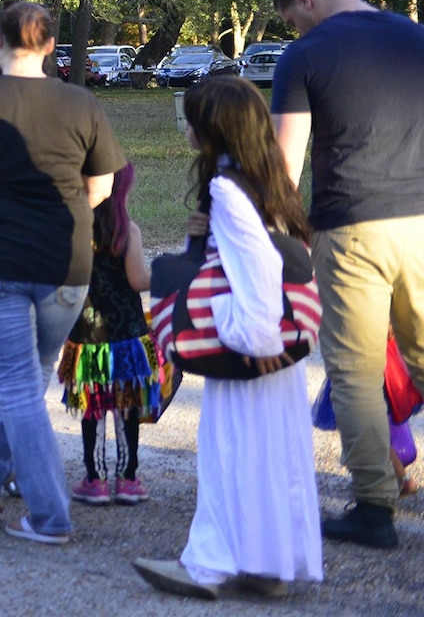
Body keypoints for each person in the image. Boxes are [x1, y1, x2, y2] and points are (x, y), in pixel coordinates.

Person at [0, 0, 123, 546]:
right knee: (29, 376)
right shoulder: (81, 103)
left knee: (16, 385)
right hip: (66, 264)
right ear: (52, 45)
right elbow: (101, 187)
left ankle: (50, 516)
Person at [132, 77, 323, 599]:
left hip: (247, 342)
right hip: (277, 353)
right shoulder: (268, 179)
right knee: (273, 455)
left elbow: (257, 263)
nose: (187, 128)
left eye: (193, 119)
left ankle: (208, 565)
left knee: (229, 453)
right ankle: (270, 564)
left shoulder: (226, 187)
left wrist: (243, 336)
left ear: (213, 129)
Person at [269, 0, 424, 549]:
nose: (294, 31)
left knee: (356, 371)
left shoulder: (305, 56)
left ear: (306, 0)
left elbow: (286, 163)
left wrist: (289, 233)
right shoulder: (416, 37)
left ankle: (375, 510)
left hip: (351, 226)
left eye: (292, 19)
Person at [57, 162, 170, 508]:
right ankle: (128, 478)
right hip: (127, 336)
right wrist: (163, 273)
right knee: (127, 407)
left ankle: (95, 479)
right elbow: (138, 281)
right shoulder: (127, 230)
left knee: (93, 408)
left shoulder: (75, 229)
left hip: (87, 337)